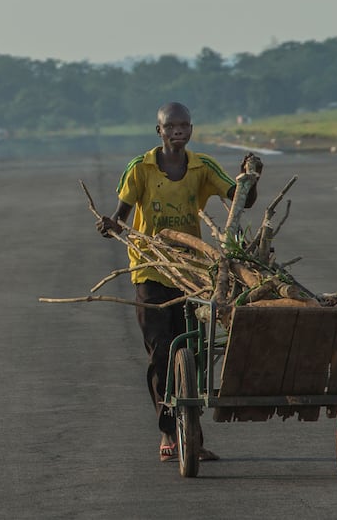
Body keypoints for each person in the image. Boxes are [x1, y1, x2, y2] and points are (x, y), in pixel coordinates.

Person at [96, 102, 261, 462]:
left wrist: (249, 180)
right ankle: (169, 431)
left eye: (184, 126)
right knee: (161, 351)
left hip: (192, 274)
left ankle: (194, 436)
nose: (177, 132)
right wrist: (110, 226)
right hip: (151, 268)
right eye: (170, 126)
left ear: (191, 130)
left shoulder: (202, 167)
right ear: (159, 131)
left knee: (194, 352)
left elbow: (241, 200)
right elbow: (120, 215)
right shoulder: (140, 168)